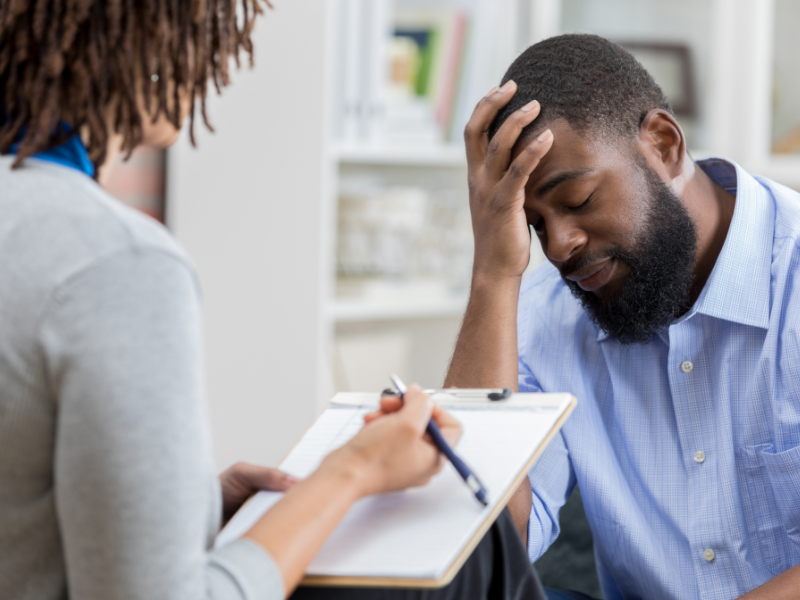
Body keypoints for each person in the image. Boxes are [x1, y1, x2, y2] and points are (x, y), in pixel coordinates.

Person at [0, 2, 547, 599]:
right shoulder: (114, 261)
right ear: (149, 42)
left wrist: (194, 507)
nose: (216, 66)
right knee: (477, 543)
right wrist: (353, 470)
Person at [445, 33, 800, 600]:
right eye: (533, 224)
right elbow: (477, 549)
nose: (559, 246)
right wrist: (492, 273)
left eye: (578, 200)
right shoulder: (539, 320)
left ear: (662, 143)